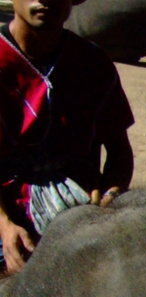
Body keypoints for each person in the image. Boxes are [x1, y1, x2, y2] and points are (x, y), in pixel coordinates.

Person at [0, 0, 135, 275]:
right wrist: (5, 226)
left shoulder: (93, 63)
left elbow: (119, 151)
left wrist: (109, 199)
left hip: (82, 215)